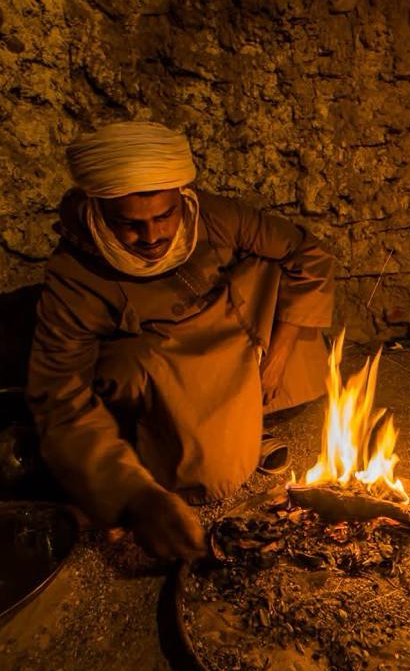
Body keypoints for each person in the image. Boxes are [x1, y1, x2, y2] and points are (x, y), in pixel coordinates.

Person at [27, 122, 335, 561]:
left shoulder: (210, 214)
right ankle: (179, 436)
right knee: (212, 473)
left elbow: (306, 252)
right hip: (163, 357)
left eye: (163, 216)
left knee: (277, 273)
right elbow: (61, 399)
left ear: (182, 197)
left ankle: (248, 409)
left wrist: (279, 353)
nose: (152, 237)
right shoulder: (73, 275)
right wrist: (133, 496)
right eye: (129, 224)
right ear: (98, 210)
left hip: (229, 327)